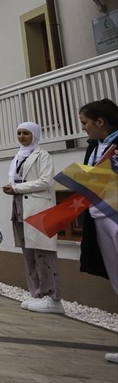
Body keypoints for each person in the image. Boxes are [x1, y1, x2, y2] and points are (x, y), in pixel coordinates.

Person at [1, 122, 62, 314]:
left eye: (26, 133)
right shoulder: (18, 156)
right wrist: (12, 187)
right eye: (19, 133)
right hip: (19, 206)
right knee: (29, 254)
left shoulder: (43, 155)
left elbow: (46, 181)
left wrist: (17, 188)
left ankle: (52, 296)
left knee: (43, 253)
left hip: (38, 208)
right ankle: (36, 293)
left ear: (35, 135)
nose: (21, 136)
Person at [78, 99, 118, 364]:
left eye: (85, 123)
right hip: (98, 216)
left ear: (100, 121)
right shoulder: (94, 146)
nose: (84, 128)